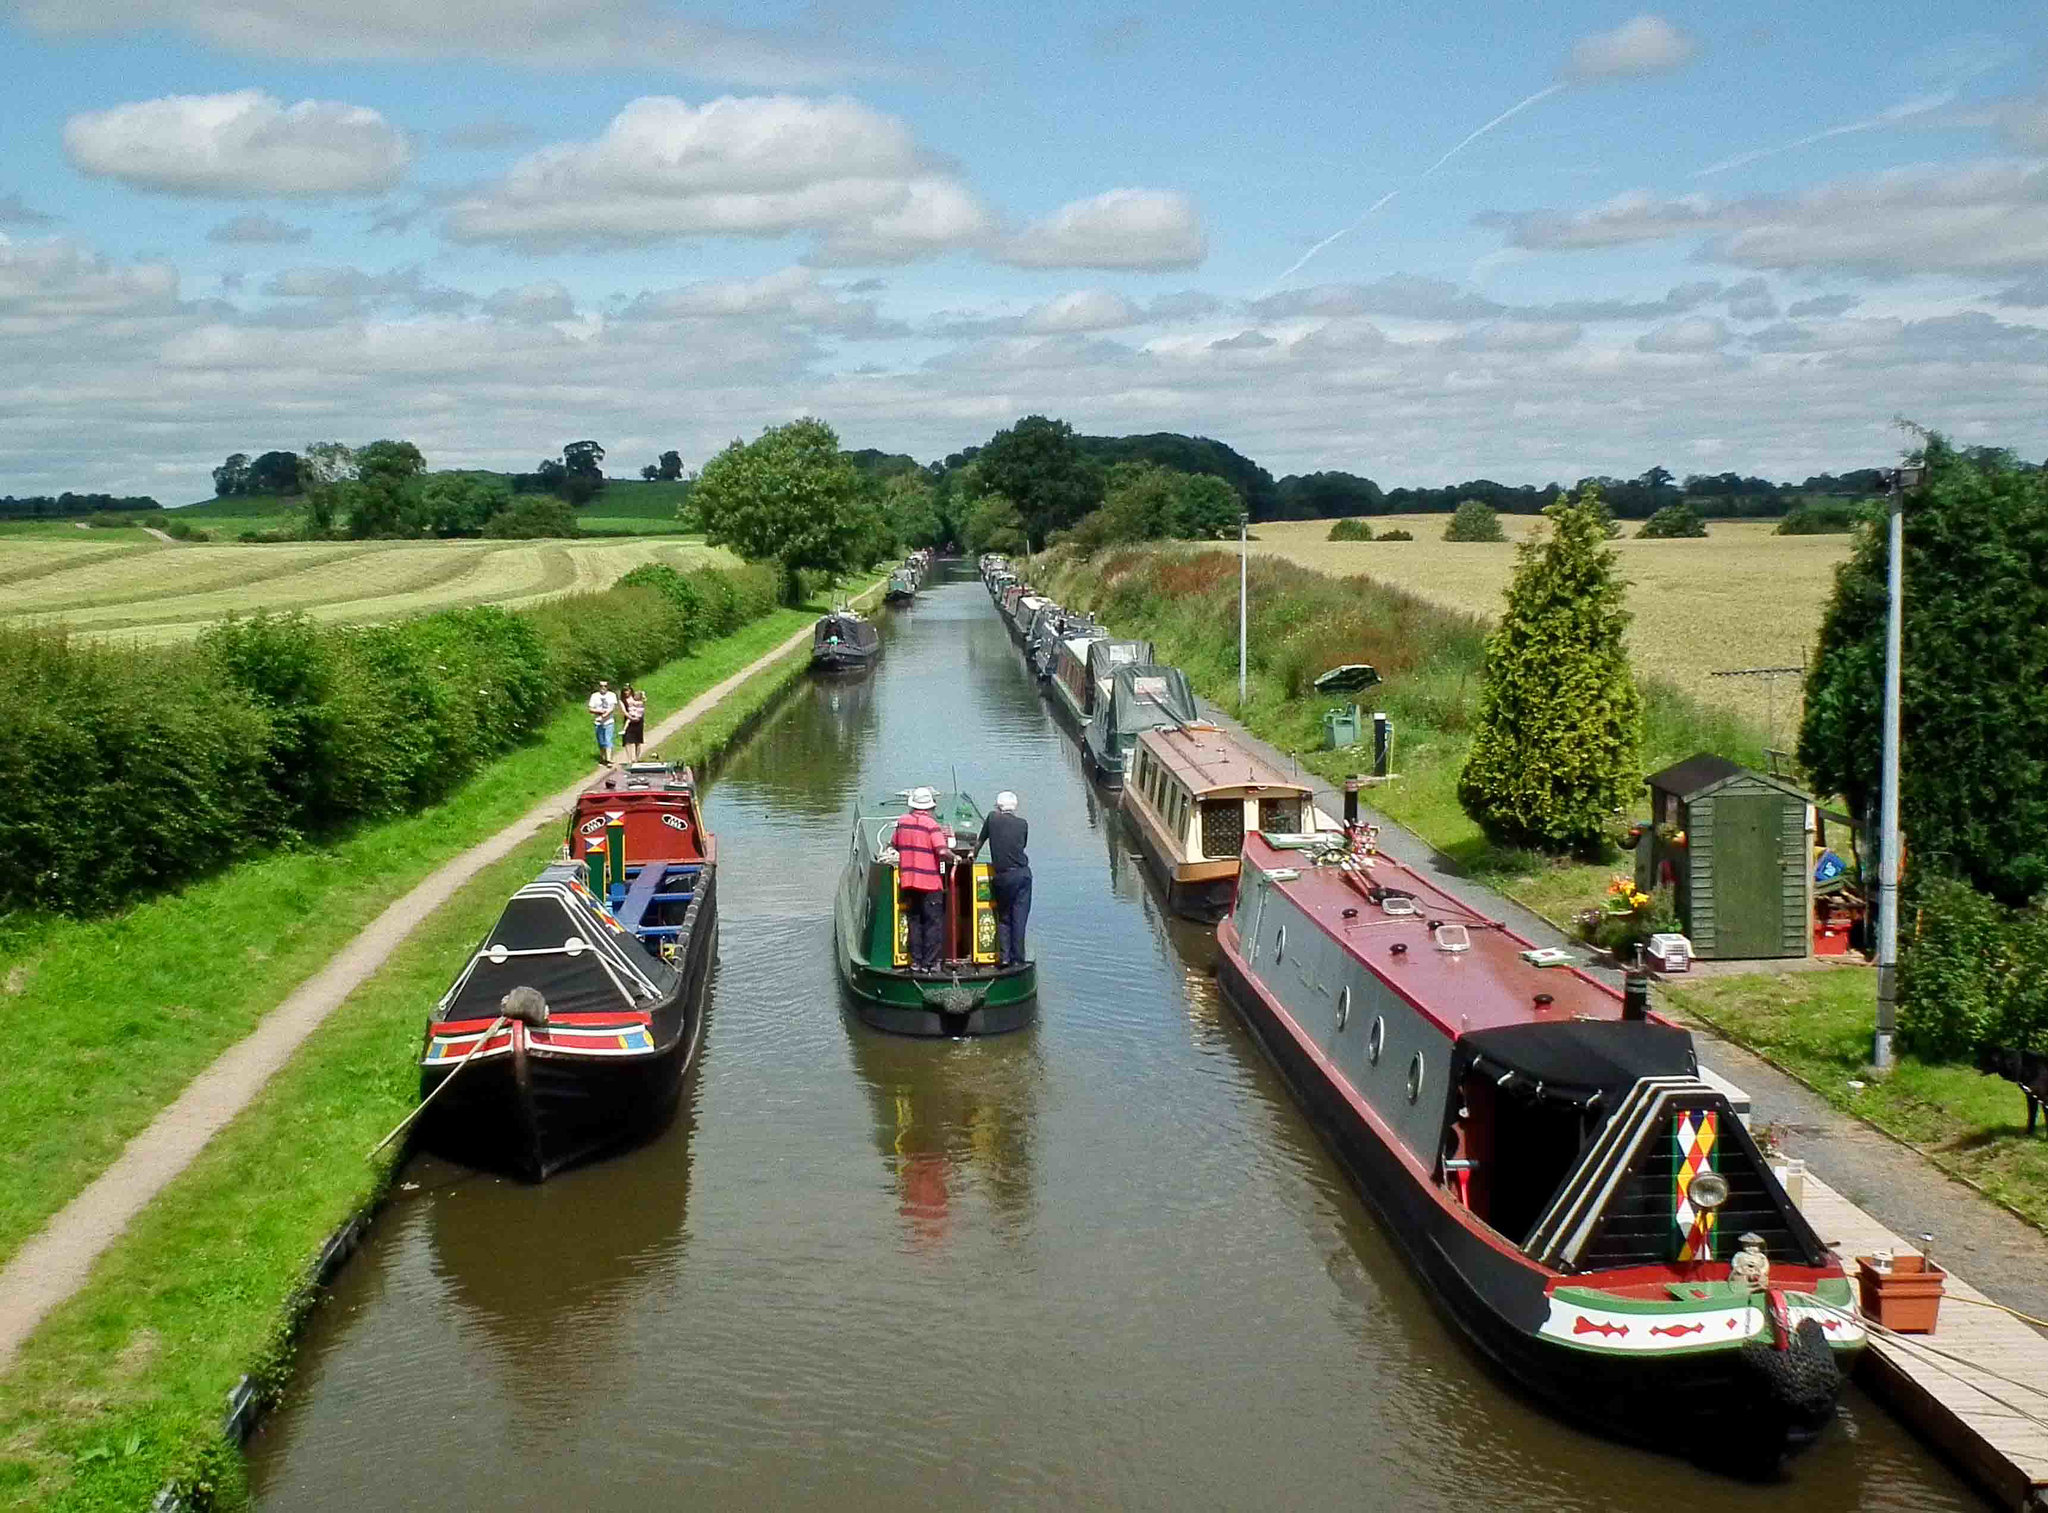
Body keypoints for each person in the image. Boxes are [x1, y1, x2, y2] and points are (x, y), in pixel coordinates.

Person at [893, 786, 950, 971]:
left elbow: (895, 843)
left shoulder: (902, 822)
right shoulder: (931, 825)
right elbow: (941, 850)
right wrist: (955, 857)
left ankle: (916, 962)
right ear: (929, 807)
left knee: (914, 921)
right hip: (930, 883)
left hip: (908, 881)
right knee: (933, 923)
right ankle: (931, 963)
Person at [977, 790, 1032, 966]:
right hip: (1022, 874)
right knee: (1019, 918)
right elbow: (1022, 844)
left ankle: (1004, 957)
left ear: (998, 807)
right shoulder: (1023, 824)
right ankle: (1018, 960)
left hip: (1003, 876)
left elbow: (981, 840)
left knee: (1004, 917)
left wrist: (973, 855)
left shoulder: (992, 819)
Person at [588, 679, 618, 765]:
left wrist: (604, 716)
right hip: (598, 722)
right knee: (601, 741)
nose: (603, 688)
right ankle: (603, 757)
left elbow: (612, 708)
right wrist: (600, 712)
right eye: (601, 686)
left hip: (609, 721)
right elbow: (590, 709)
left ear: (608, 686)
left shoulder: (612, 695)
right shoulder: (594, 696)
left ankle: (608, 760)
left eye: (605, 686)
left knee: (608, 739)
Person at [620, 685, 647, 762]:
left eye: (627, 690)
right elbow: (624, 711)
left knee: (638, 741)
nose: (626, 692)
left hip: (638, 720)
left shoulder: (635, 697)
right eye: (624, 690)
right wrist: (631, 718)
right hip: (629, 719)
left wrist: (638, 717)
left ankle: (636, 759)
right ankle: (629, 759)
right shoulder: (622, 700)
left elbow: (643, 703)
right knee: (627, 740)